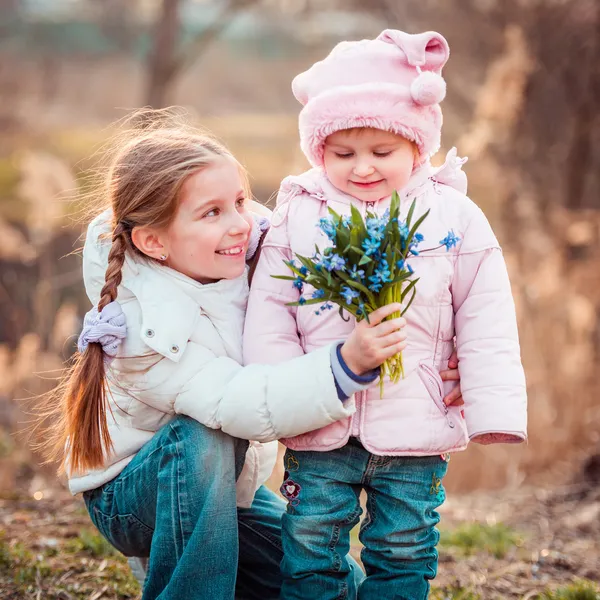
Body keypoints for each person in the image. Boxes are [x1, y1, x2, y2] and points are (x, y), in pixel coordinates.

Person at [39, 113, 416, 600]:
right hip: (133, 499)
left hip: (230, 494)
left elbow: (322, 308)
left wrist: (428, 358)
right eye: (212, 213)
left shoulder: (235, 258)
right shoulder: (145, 332)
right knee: (203, 436)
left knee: (344, 586)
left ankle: (214, 562)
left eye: (239, 201)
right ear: (154, 242)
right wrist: (344, 366)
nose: (241, 223)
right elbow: (241, 401)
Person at [244, 29, 527, 599]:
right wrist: (282, 398)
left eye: (383, 152)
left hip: (416, 424)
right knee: (310, 546)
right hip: (319, 426)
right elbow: (271, 314)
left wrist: (490, 405)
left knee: (404, 548)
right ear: (317, 148)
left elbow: (487, 317)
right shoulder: (298, 215)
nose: (362, 168)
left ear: (418, 146)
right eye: (342, 153)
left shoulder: (453, 214)